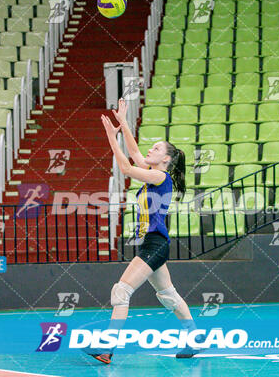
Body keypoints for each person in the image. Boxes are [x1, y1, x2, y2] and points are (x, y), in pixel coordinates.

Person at [90, 98, 200, 364]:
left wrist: (110, 137)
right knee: (168, 295)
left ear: (166, 159)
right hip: (154, 243)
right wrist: (124, 124)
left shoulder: (162, 177)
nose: (151, 149)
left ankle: (107, 347)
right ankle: (194, 339)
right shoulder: (155, 173)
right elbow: (136, 155)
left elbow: (127, 167)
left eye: (157, 148)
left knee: (122, 291)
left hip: (155, 244)